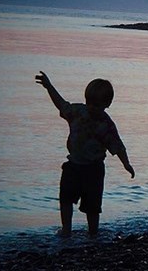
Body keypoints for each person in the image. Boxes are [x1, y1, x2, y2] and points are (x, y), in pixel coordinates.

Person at [35, 71, 135, 237]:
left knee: (92, 205)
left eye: (97, 104)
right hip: (73, 165)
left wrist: (126, 164)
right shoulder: (77, 112)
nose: (92, 107)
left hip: (94, 169)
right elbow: (61, 104)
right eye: (90, 102)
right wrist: (48, 86)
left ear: (107, 103)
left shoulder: (106, 124)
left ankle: (93, 233)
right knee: (65, 198)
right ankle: (66, 229)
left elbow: (118, 146)